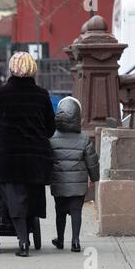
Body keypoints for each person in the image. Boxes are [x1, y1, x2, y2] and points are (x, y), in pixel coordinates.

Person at [0, 52, 56, 257]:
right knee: (31, 199)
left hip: (9, 157)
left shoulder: (1, 94)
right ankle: (27, 236)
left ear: (11, 69)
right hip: (36, 157)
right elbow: (50, 128)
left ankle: (23, 242)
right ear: (33, 69)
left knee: (14, 200)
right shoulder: (42, 94)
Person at [49, 97, 99, 253]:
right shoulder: (84, 139)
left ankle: (60, 239)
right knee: (76, 212)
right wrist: (94, 177)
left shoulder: (52, 138)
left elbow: (48, 160)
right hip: (78, 183)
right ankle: (75, 241)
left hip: (58, 182)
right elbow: (92, 161)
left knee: (60, 212)